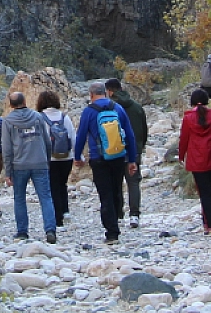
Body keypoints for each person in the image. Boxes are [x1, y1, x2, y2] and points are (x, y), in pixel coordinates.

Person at [73, 80, 138, 245]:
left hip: (98, 158)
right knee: (117, 189)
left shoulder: (89, 111)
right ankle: (116, 219)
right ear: (106, 92)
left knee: (105, 194)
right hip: (118, 156)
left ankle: (111, 232)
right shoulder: (118, 108)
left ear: (91, 95)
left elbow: (81, 135)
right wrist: (132, 159)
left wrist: (77, 156)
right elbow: (129, 135)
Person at [0, 91, 57, 243]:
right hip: (39, 162)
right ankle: (50, 229)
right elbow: (47, 141)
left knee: (19, 198)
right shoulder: (38, 117)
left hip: (19, 165)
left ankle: (22, 231)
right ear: (25, 101)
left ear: (11, 105)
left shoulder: (8, 121)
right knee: (45, 197)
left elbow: (6, 148)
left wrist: (8, 171)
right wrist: (47, 161)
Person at [175, 88, 211, 235]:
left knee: (204, 192)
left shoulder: (188, 118)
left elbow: (183, 139)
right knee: (209, 191)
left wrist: (181, 155)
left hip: (197, 161)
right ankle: (208, 223)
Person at [104, 77, 148, 228]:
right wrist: (140, 147)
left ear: (109, 91)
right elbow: (144, 130)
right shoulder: (136, 107)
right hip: (134, 149)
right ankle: (134, 215)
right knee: (133, 182)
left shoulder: (110, 108)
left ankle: (118, 214)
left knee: (115, 183)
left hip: (114, 149)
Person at [36, 89, 78, 227]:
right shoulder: (64, 117)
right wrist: (78, 155)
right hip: (67, 157)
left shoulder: (39, 118)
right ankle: (65, 211)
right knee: (62, 184)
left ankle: (57, 217)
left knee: (52, 186)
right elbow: (72, 136)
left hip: (49, 158)